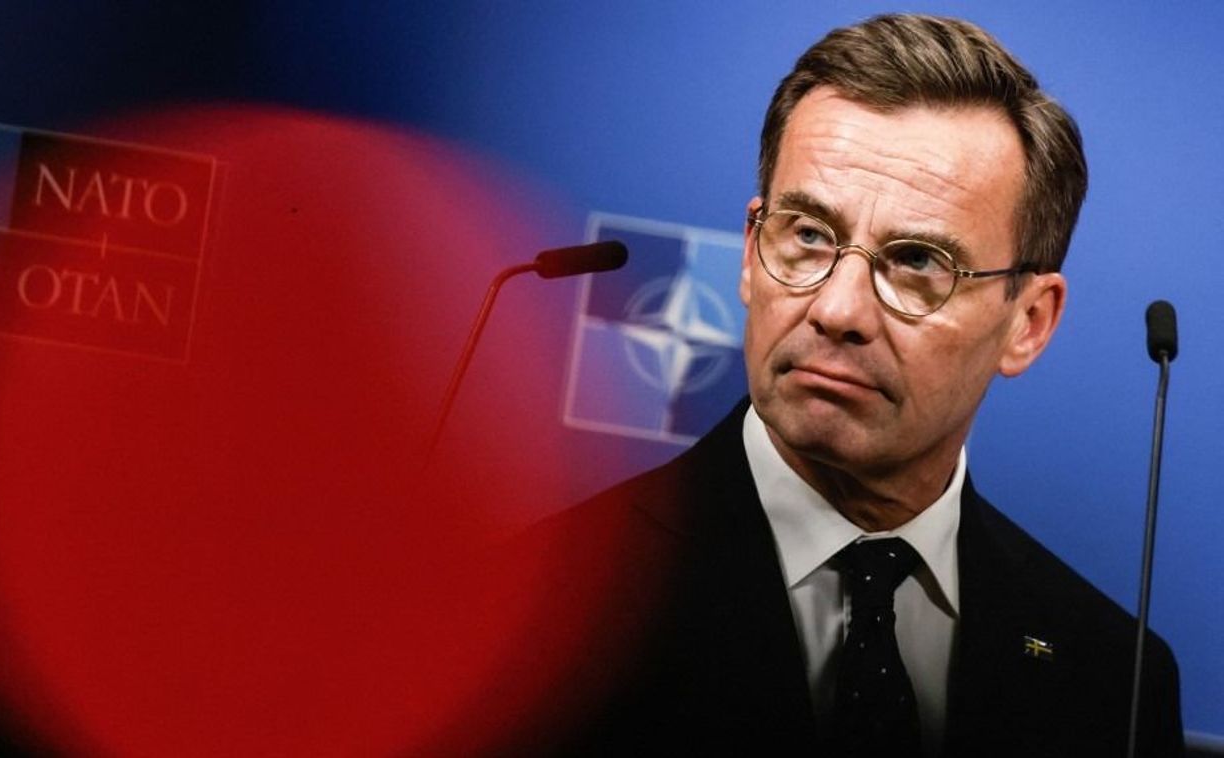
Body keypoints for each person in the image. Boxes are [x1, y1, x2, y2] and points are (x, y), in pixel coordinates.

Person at [485, 13, 1184, 758]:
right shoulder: (526, 617)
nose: (837, 309)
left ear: (1028, 323)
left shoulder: (1116, 678)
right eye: (809, 235)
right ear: (751, 256)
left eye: (917, 262)